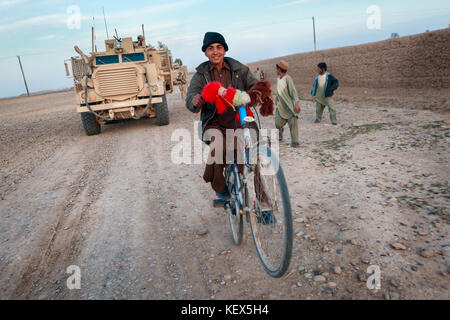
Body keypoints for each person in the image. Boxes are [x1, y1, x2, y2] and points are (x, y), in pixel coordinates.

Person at [185, 32, 258, 200]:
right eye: (210, 48)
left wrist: (256, 94)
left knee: (252, 156)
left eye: (219, 47)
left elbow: (254, 85)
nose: (215, 52)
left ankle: (262, 200)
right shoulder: (200, 75)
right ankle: (220, 187)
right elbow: (190, 97)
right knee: (218, 146)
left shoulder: (240, 69)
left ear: (225, 50)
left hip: (239, 118)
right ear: (205, 52)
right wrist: (195, 100)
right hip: (214, 122)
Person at [274, 60, 301, 148]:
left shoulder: (288, 78)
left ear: (279, 69)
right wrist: (277, 96)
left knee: (293, 123)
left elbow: (293, 91)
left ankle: (295, 141)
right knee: (278, 124)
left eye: (276, 68)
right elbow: (279, 90)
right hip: (280, 106)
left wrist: (297, 103)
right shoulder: (278, 79)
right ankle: (280, 131)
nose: (276, 70)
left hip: (289, 106)